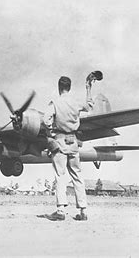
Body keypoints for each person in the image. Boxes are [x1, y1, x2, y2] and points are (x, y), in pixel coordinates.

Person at [43, 76, 93, 221]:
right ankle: (83, 211)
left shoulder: (55, 102)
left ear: (59, 87)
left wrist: (52, 130)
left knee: (60, 176)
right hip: (73, 142)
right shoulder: (76, 102)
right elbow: (89, 106)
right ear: (69, 87)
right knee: (77, 176)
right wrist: (88, 88)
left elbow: (46, 120)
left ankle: (60, 210)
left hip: (59, 141)